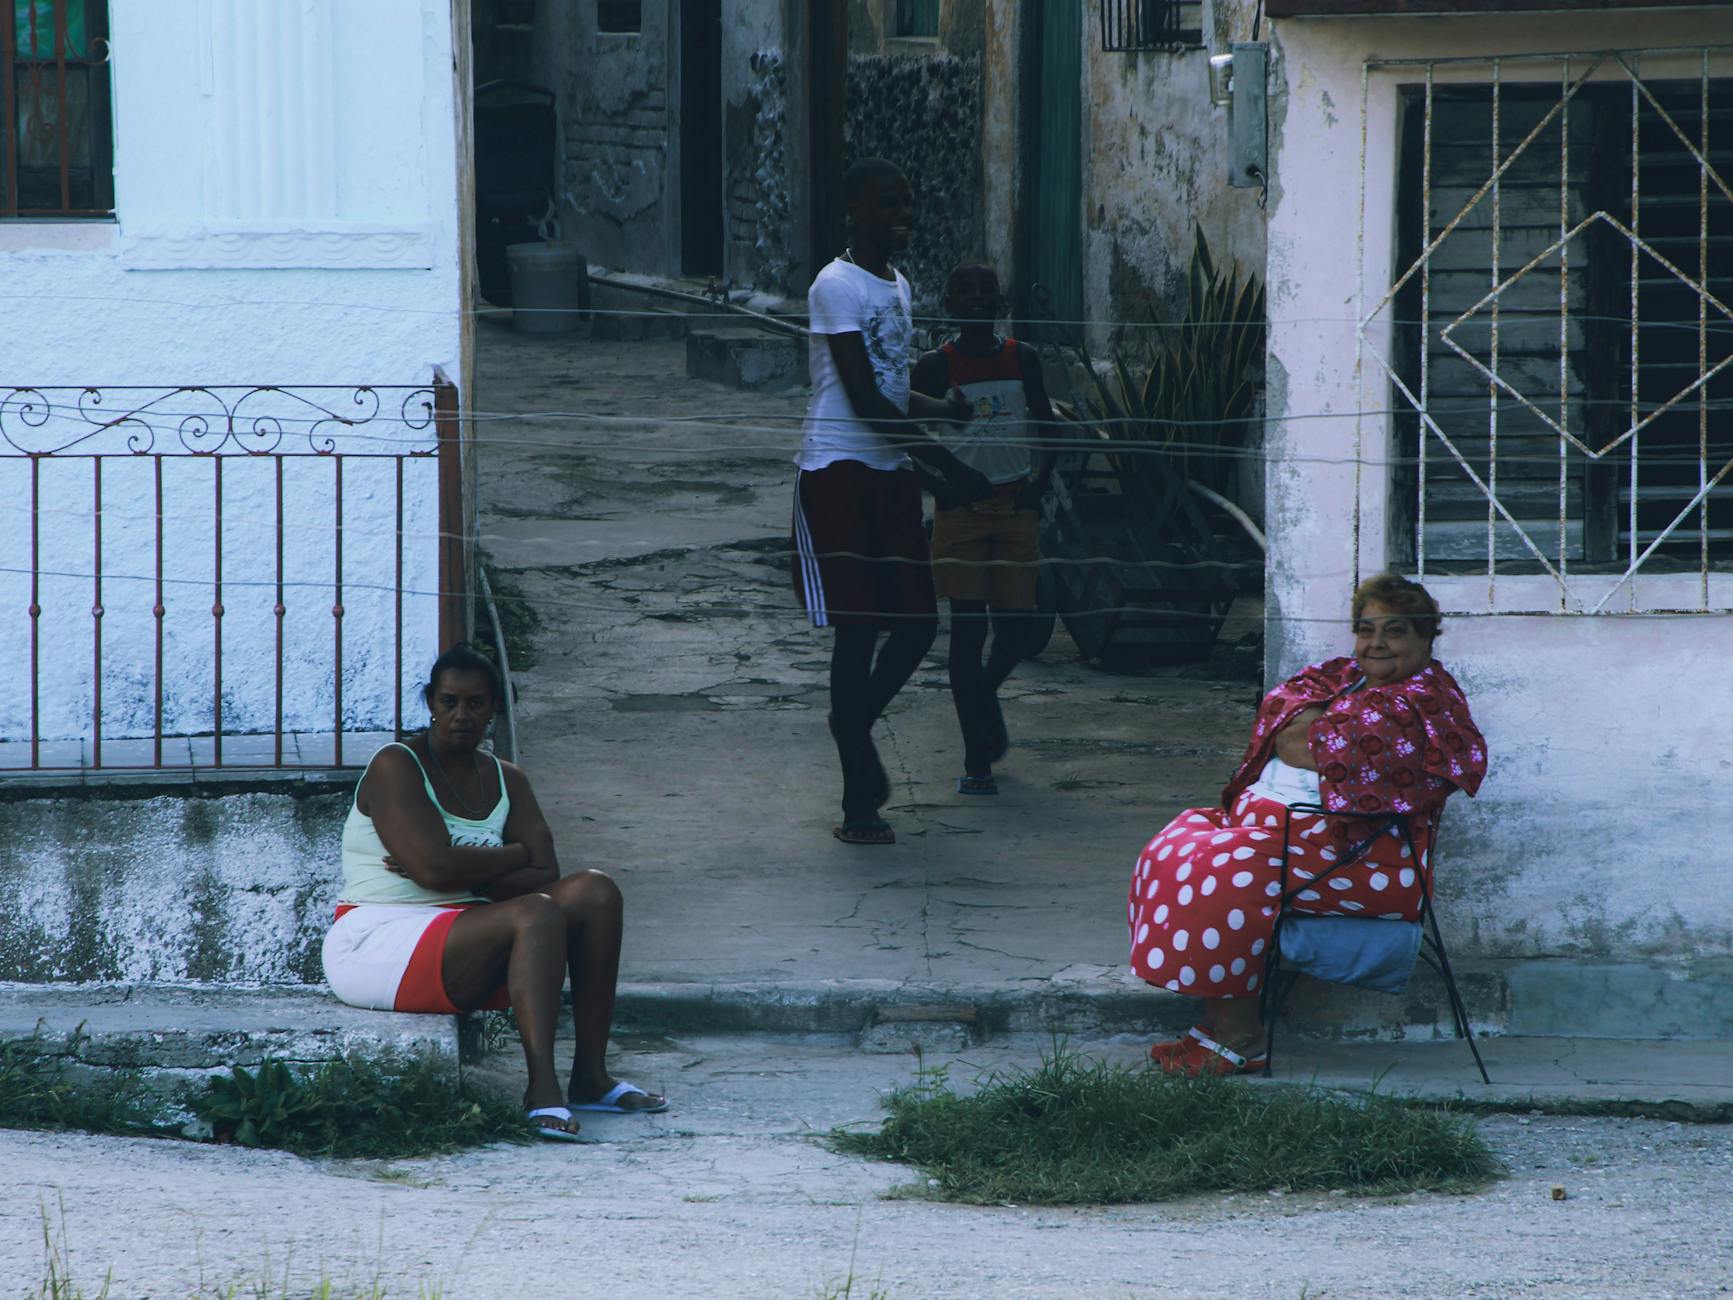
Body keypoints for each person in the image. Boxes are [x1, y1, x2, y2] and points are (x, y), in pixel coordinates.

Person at [1126, 574, 1488, 1076]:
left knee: (1225, 868)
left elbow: (1298, 741)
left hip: (1366, 857)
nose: (1377, 643)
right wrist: (1314, 732)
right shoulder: (1348, 676)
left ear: (1426, 638)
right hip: (1297, 840)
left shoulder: (1420, 699)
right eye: (1366, 629)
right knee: (1179, 842)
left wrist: (1308, 730)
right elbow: (1285, 712)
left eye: (1395, 631)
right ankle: (1215, 1022)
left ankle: (1242, 1035)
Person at [321, 643, 666, 1141]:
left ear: (493, 709)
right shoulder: (396, 764)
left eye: (475, 704)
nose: (461, 715)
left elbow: (543, 869)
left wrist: (457, 868)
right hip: (379, 936)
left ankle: (591, 1077)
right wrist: (509, 855)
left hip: (470, 925)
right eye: (449, 702)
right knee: (535, 913)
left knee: (595, 892)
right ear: (431, 703)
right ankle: (542, 1092)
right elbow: (435, 868)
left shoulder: (508, 780)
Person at [791, 157, 995, 846]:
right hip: (836, 471)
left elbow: (889, 382)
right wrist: (944, 467)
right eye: (886, 203)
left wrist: (941, 409)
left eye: (907, 201)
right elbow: (862, 399)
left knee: (915, 625)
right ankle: (859, 800)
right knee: (858, 630)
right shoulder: (834, 285)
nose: (901, 214)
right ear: (854, 209)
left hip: (888, 470)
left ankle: (849, 724)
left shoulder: (897, 283)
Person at [911, 260, 1058, 796]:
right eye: (965, 291)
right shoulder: (935, 366)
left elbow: (1047, 425)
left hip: (1016, 506)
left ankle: (982, 694)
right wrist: (940, 486)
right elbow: (903, 433)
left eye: (985, 290)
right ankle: (977, 758)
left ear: (1000, 300)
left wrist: (1039, 484)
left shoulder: (1023, 358)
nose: (976, 298)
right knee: (969, 633)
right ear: (949, 303)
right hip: (962, 514)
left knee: (1017, 629)